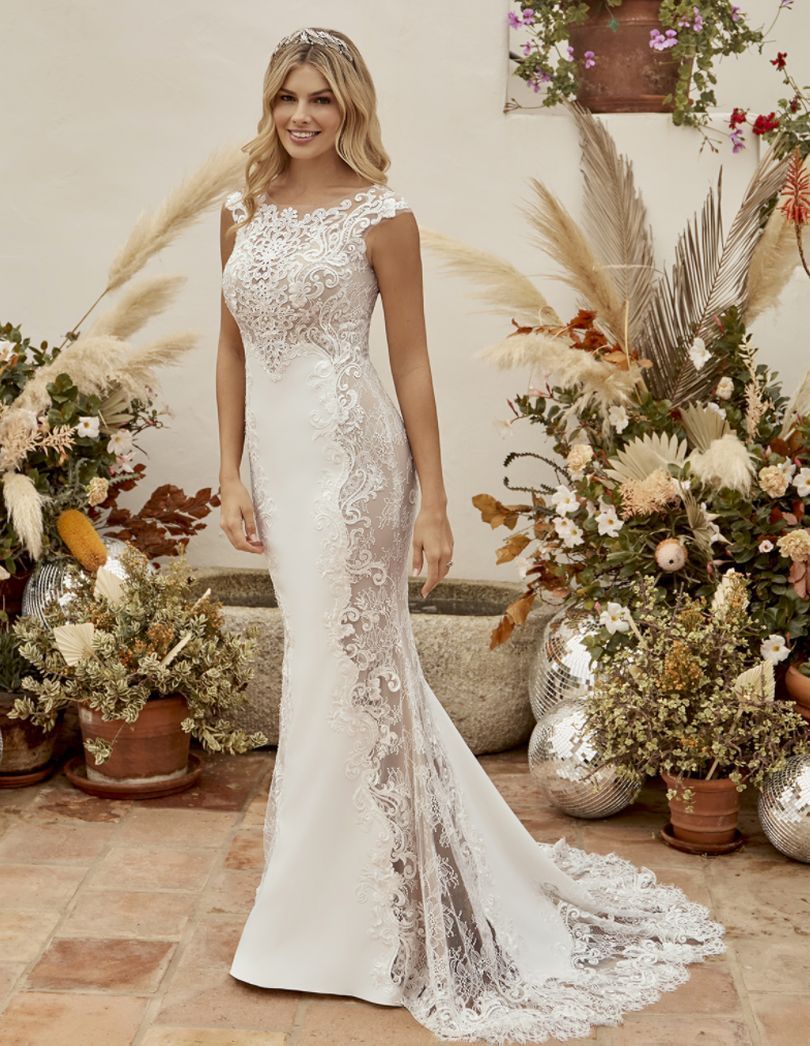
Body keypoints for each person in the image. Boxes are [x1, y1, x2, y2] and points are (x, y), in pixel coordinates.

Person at [217, 25, 725, 1045]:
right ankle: (336, 898)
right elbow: (231, 348)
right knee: (332, 670)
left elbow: (409, 365)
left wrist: (436, 501)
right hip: (279, 454)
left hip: (357, 463)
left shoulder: (383, 215)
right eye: (287, 100)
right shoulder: (239, 213)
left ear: (351, 109)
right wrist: (228, 469)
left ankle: (341, 922)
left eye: (321, 99)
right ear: (271, 108)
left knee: (342, 669)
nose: (303, 116)